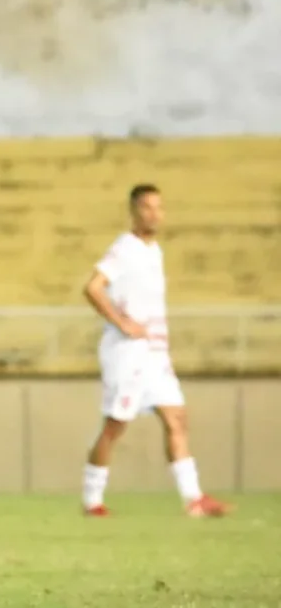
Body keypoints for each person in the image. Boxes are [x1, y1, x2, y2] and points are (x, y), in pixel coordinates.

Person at [80, 184, 229, 518]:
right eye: (147, 207)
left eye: (159, 207)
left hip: (155, 354)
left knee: (177, 419)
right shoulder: (125, 248)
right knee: (116, 425)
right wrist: (122, 323)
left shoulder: (154, 251)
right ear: (134, 211)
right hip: (129, 352)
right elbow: (92, 288)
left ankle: (194, 499)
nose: (154, 214)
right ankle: (92, 501)